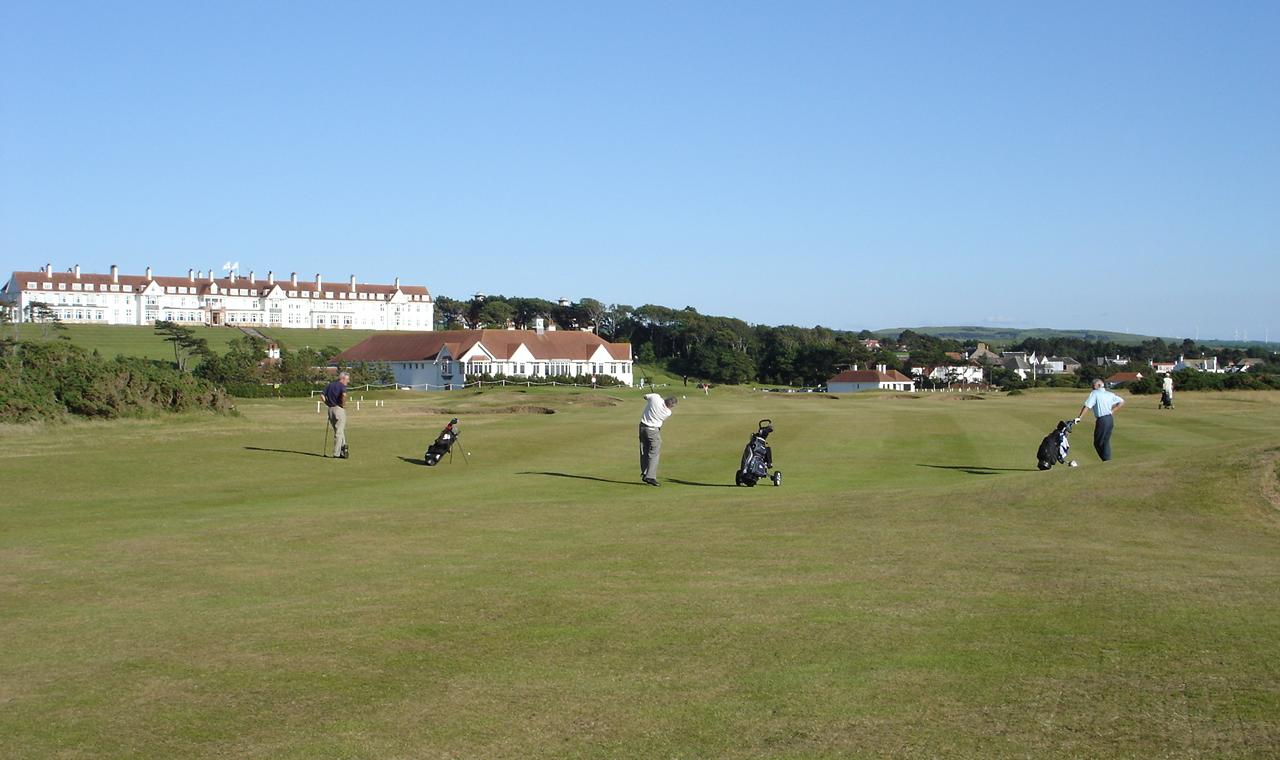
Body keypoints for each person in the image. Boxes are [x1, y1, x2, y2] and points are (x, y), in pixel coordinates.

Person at [1076, 378, 1125, 462]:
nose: (1092, 387)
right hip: (1110, 419)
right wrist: (1112, 411)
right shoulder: (1109, 394)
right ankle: (1107, 460)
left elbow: (1087, 406)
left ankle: (1106, 461)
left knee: (1098, 442)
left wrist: (1079, 417)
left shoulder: (1095, 393)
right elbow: (1122, 401)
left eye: (1093, 385)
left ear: (1098, 385)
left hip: (1102, 420)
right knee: (1105, 441)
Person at [638, 393, 677, 486]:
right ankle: (650, 477)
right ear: (671, 406)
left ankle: (645, 472)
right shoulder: (668, 412)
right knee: (654, 453)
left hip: (642, 427)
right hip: (653, 431)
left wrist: (654, 398)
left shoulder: (656, 397)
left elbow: (645, 396)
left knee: (644, 450)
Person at [324, 371, 350, 458]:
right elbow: (344, 395)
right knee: (339, 432)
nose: (348, 381)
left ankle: (344, 448)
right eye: (347, 379)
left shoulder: (330, 385)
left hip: (330, 409)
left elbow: (322, 396)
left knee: (338, 430)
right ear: (342, 378)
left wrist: (327, 403)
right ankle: (337, 453)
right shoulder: (342, 386)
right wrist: (343, 405)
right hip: (339, 409)